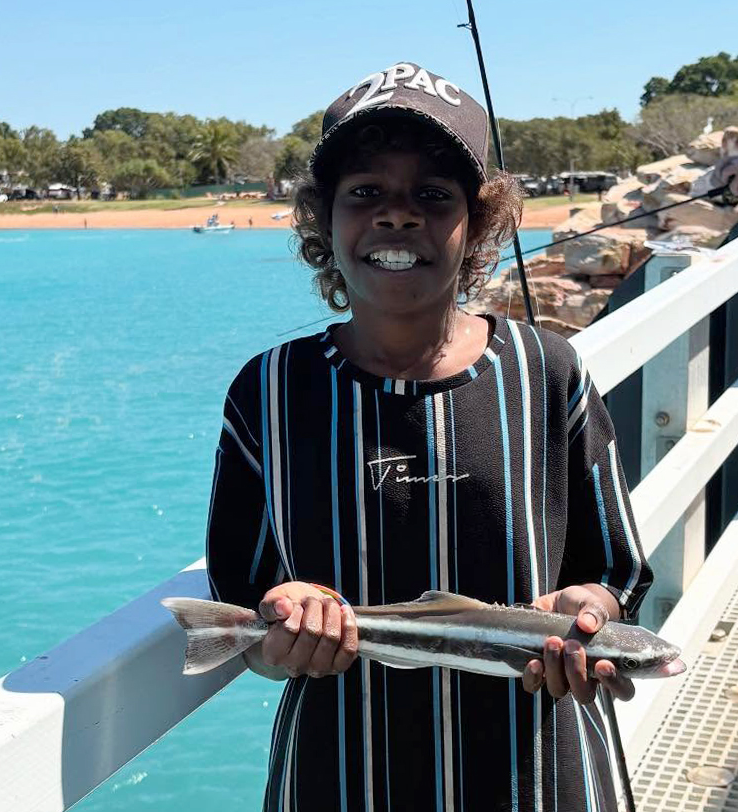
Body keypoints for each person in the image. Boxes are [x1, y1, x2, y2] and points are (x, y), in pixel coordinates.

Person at [205, 61, 652, 812]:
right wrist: (277, 629)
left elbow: (616, 570)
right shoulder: (271, 390)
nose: (398, 216)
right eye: (366, 193)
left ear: (479, 223)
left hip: (544, 775)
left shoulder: (548, 371)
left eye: (432, 196)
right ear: (326, 219)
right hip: (341, 776)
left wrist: (590, 612)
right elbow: (238, 604)